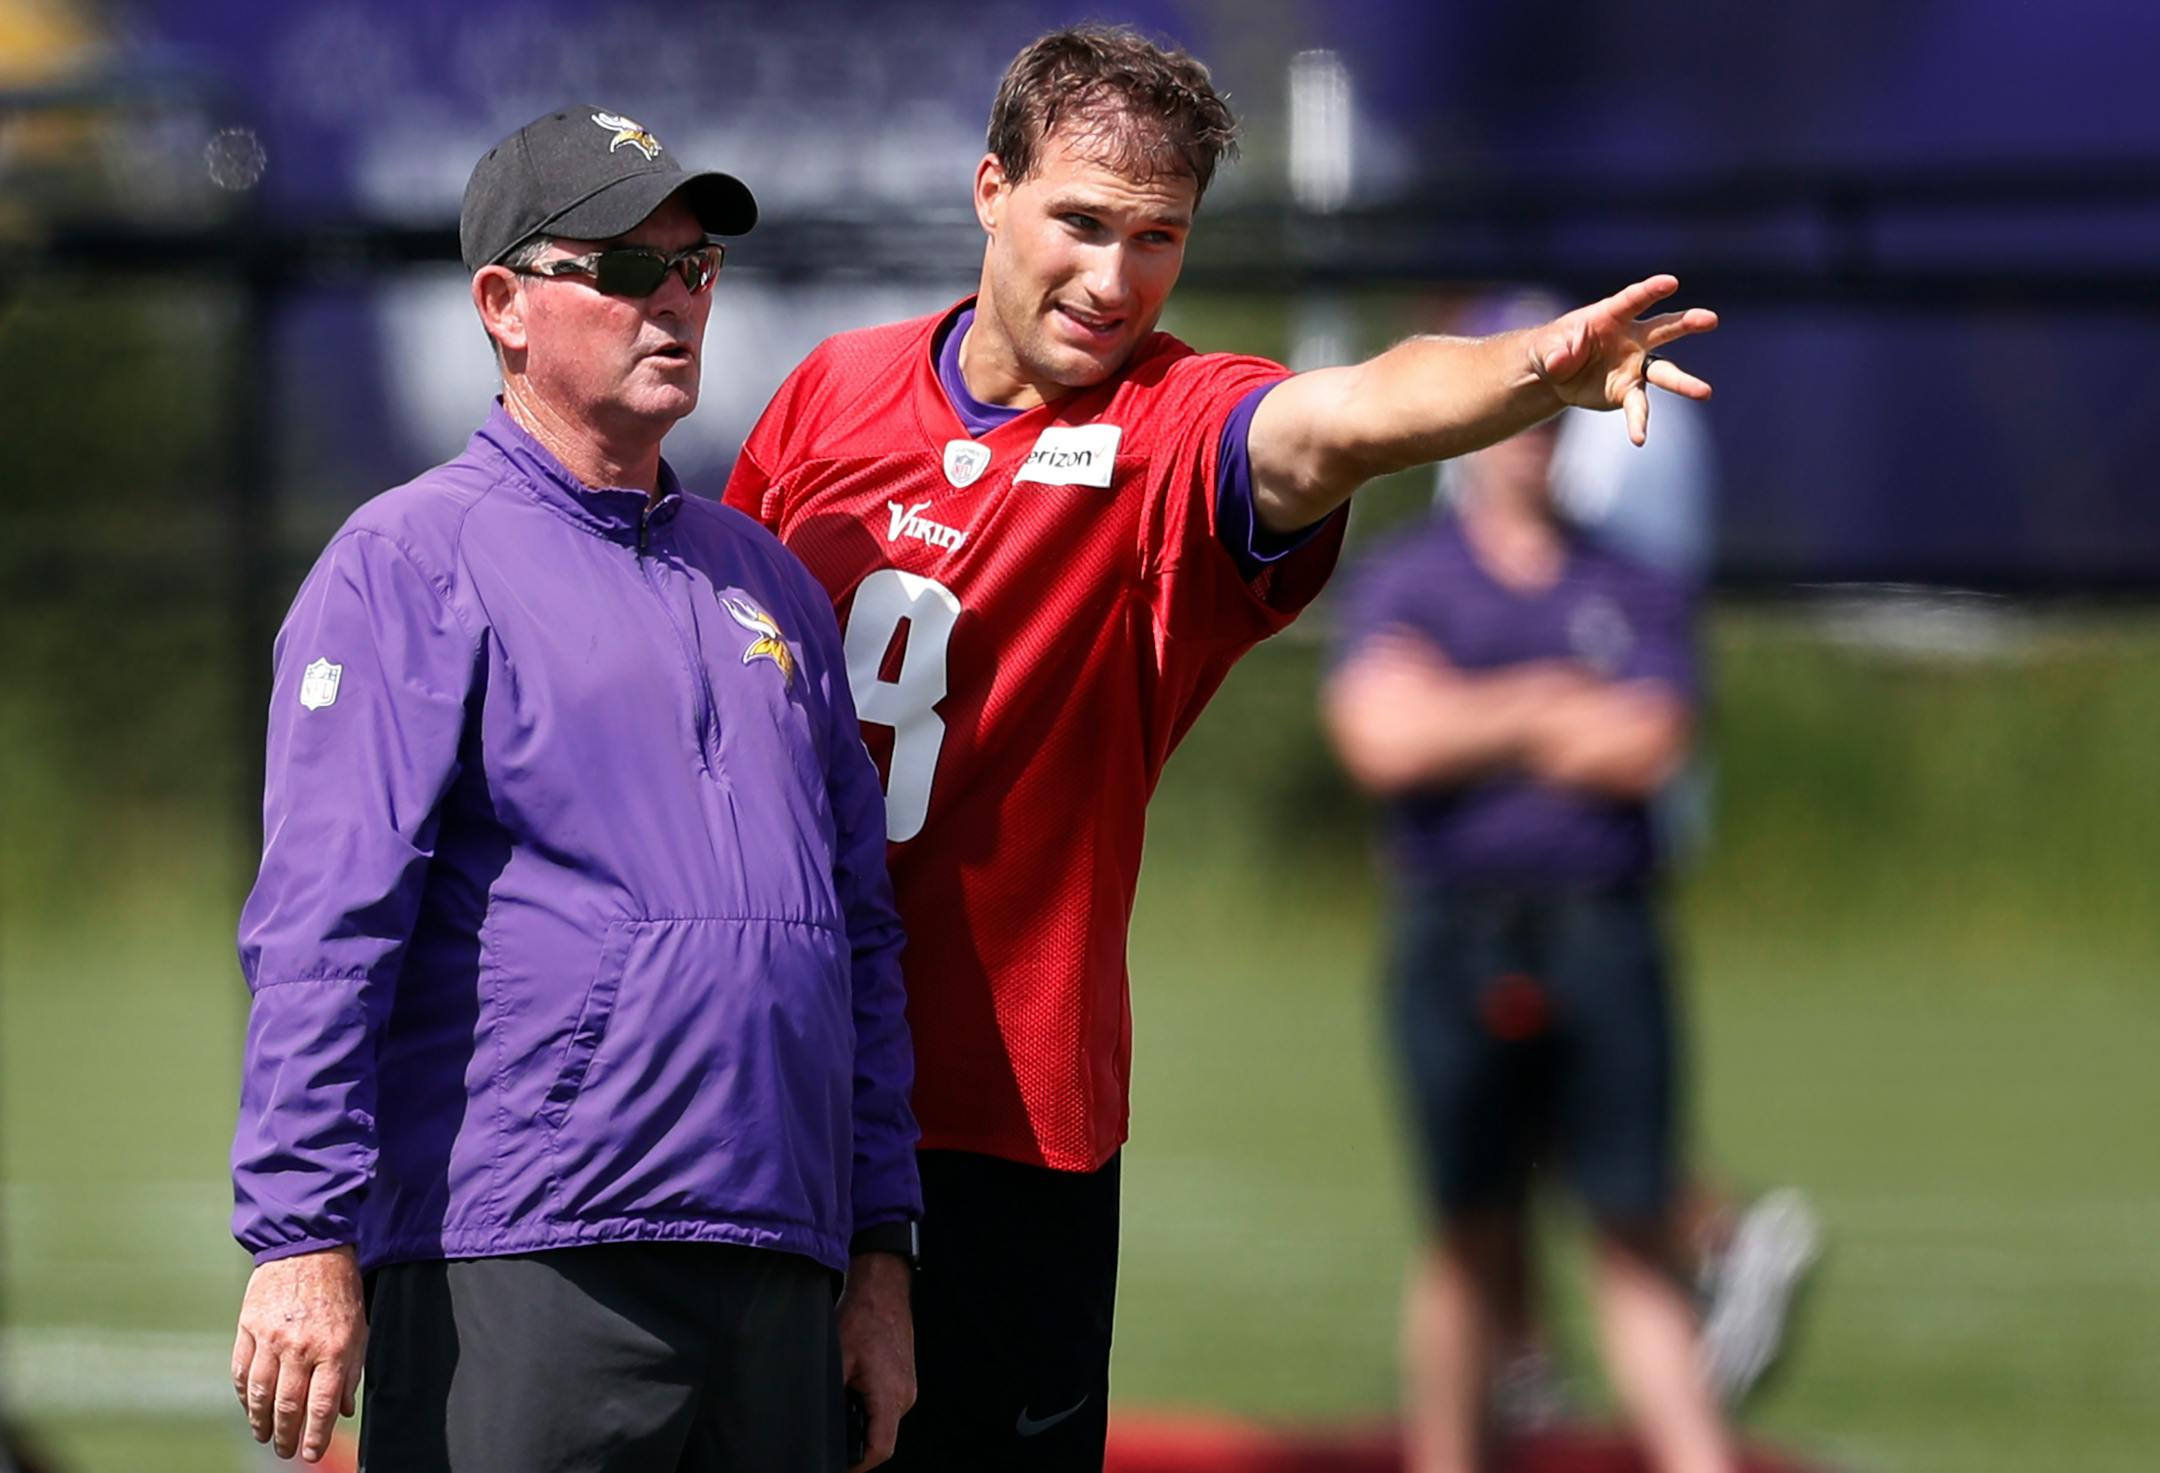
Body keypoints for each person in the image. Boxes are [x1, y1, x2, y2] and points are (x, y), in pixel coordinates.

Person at [723, 24, 1716, 1472]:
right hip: (780, 1077)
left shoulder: (1171, 430)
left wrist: (1530, 370)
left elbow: (1349, 414)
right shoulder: (831, 392)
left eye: (1158, 239)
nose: (1115, 280)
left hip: (1005, 1113)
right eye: (1081, 221)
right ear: (989, 189)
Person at [227, 104, 919, 1473]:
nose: (672, 300)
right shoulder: (406, 564)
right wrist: (301, 1233)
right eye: (622, 268)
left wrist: (881, 1253)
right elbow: (324, 928)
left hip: (777, 1256)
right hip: (528, 1254)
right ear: (504, 305)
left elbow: (863, 942)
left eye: (695, 267)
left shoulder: (769, 579)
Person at [1322, 406, 1729, 1473]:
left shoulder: (1633, 579)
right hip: (1451, 932)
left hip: (1603, 929)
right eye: (1512, 423)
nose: (1528, 445)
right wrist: (1548, 701)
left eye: (1550, 427)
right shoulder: (1409, 576)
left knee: (1630, 1227)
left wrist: (1460, 712)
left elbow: (1650, 743)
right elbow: (1381, 739)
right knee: (1467, 1229)